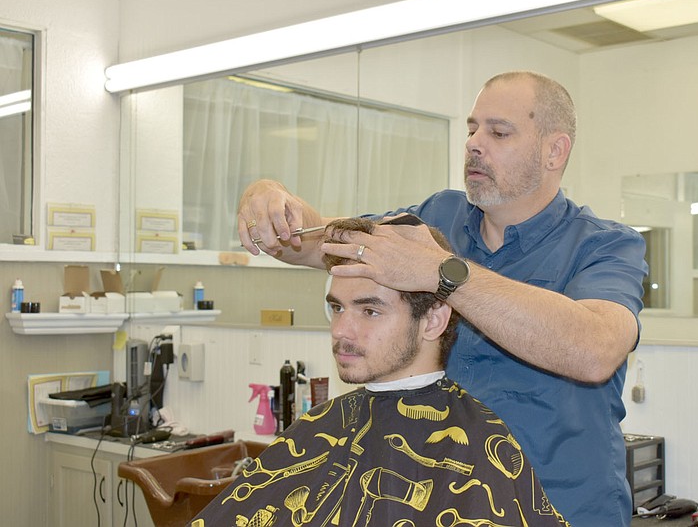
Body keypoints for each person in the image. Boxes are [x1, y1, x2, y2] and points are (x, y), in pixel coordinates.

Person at [237, 71, 648, 526]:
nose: (474, 143)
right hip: (449, 509)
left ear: (555, 150)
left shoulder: (606, 246)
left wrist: (440, 271)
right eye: (472, 128)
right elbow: (318, 241)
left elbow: (593, 350)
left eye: (498, 132)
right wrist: (271, 200)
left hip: (563, 510)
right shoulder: (436, 218)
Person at [191, 217, 570, 527]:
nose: (341, 331)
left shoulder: (479, 447)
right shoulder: (322, 425)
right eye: (337, 308)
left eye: (369, 311)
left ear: (434, 320)